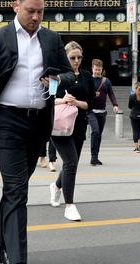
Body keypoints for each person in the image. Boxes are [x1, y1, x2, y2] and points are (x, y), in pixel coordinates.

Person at [0, 0, 75, 264]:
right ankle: (17, 259)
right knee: (18, 191)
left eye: (40, 11)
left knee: (15, 189)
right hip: (5, 123)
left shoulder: (51, 39)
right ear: (16, 6)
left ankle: (3, 244)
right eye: (30, 11)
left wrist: (58, 80)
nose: (36, 17)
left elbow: (69, 74)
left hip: (37, 124)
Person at [49, 41, 94, 222]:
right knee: (71, 162)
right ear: (66, 58)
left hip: (79, 125)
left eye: (79, 57)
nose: (76, 61)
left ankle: (56, 186)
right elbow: (46, 100)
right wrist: (62, 100)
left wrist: (76, 102)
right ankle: (70, 205)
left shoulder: (87, 76)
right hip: (60, 125)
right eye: (72, 57)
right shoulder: (57, 77)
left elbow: (90, 103)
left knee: (71, 163)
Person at [88, 58, 119, 166]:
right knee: (95, 131)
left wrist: (115, 105)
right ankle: (93, 157)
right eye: (95, 69)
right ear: (92, 68)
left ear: (102, 70)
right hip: (91, 111)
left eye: (99, 70)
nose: (97, 71)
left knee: (99, 135)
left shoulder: (106, 81)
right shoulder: (88, 80)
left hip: (102, 111)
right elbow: (83, 93)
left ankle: (96, 157)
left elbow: (111, 94)